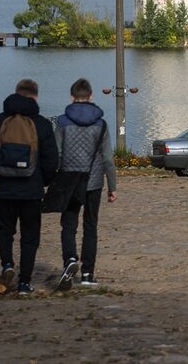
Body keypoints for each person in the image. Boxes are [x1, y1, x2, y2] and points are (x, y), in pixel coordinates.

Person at [0, 78, 59, 295]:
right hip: (31, 191)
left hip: (4, 189)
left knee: (4, 230)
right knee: (30, 237)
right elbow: (52, 160)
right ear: (36, 96)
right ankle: (24, 282)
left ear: (15, 93)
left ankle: (7, 264)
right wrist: (42, 181)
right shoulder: (42, 124)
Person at [53, 77, 117, 290]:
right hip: (94, 181)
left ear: (72, 97)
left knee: (69, 225)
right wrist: (112, 187)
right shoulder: (102, 124)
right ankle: (88, 273)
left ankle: (70, 260)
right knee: (90, 226)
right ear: (91, 97)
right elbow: (108, 158)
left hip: (70, 180)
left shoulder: (62, 122)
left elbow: (57, 154)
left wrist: (55, 178)